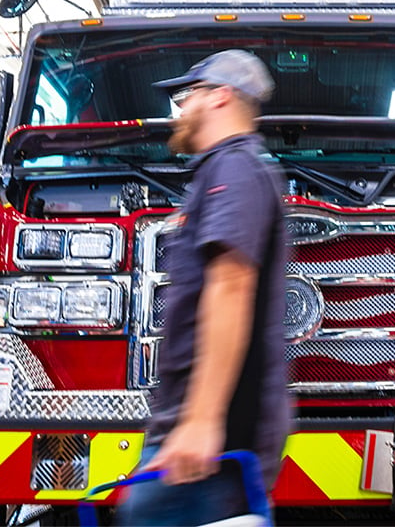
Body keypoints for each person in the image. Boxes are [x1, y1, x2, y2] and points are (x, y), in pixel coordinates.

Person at [118, 50, 290, 526]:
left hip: (216, 437)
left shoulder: (234, 169)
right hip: (208, 434)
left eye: (188, 95)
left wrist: (201, 420)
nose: (180, 108)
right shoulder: (225, 170)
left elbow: (231, 287)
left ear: (219, 96)